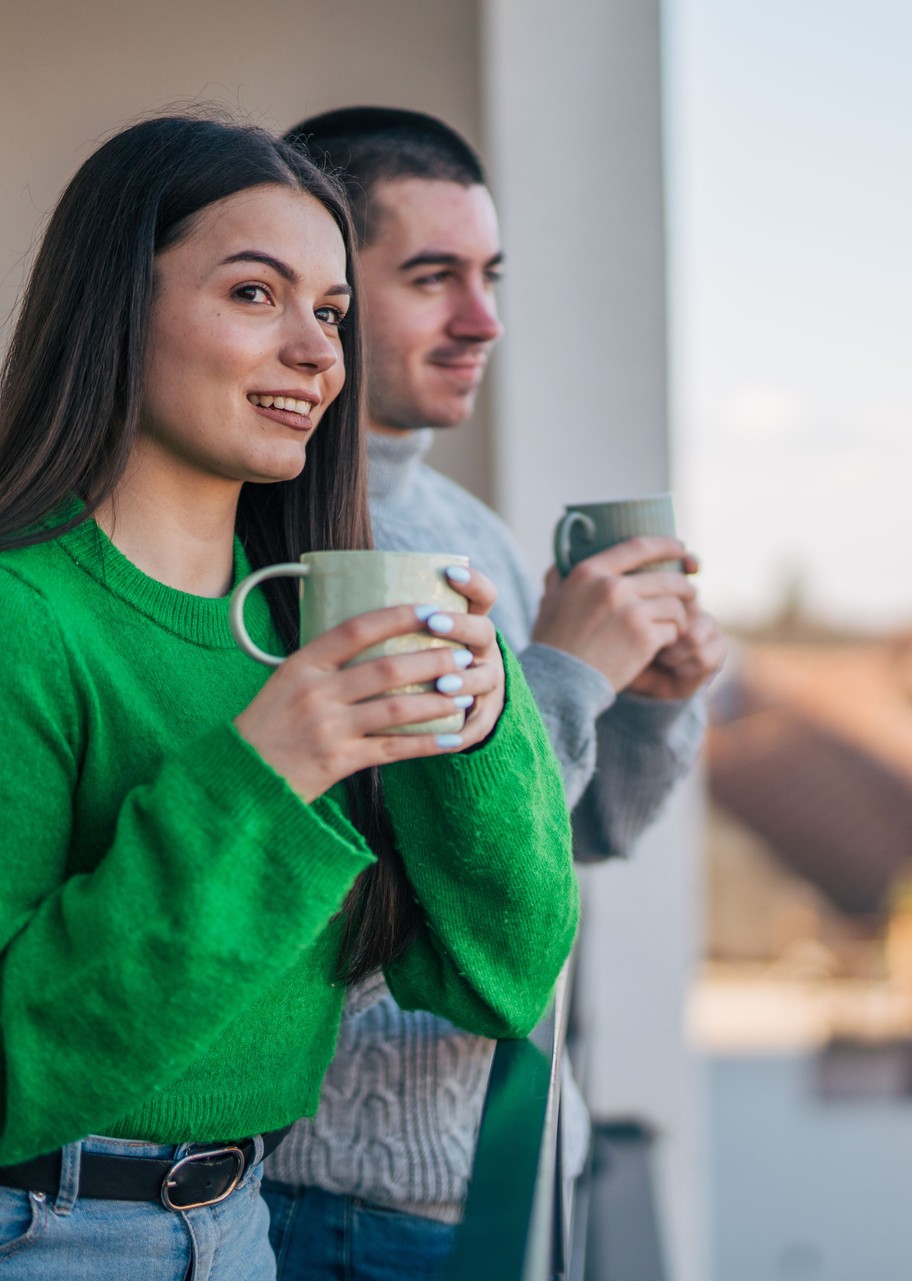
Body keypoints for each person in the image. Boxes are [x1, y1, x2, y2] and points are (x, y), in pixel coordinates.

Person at [0, 112, 578, 1281]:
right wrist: (268, 774)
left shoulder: (306, 626)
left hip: (235, 1225)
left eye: (331, 312)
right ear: (118, 305)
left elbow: (497, 974)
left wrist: (487, 717)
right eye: (257, 294)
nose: (319, 355)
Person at [264, 108, 727, 1277]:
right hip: (343, 1196)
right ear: (328, 289)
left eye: (490, 276)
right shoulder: (292, 548)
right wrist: (563, 676)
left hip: (503, 1155)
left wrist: (645, 700)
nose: (485, 321)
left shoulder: (461, 528)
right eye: (434, 279)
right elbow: (385, 878)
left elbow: (574, 836)